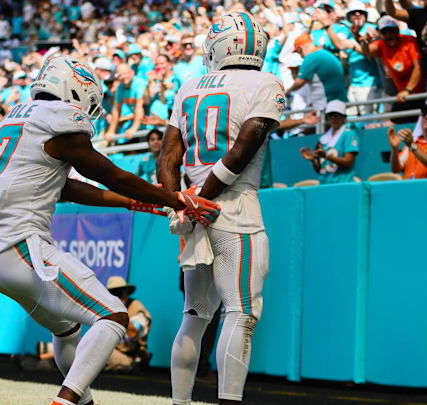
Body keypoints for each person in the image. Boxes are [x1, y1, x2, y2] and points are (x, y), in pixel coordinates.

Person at [0, 55, 220, 405]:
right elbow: (105, 172)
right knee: (113, 315)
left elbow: (65, 188)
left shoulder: (15, 118)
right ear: (77, 89)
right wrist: (174, 198)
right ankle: (65, 401)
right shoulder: (61, 118)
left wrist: (132, 202)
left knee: (66, 329)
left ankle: (84, 403)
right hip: (22, 245)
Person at [157, 12, 285, 405]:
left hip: (195, 213)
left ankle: (180, 402)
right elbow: (245, 145)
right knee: (241, 312)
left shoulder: (189, 86)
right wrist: (203, 195)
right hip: (233, 207)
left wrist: (179, 200)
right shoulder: (265, 82)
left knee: (194, 316)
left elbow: (167, 156)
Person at [355, 16, 426, 123]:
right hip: (403, 96)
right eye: (385, 32)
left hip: (421, 93)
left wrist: (407, 90)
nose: (389, 35)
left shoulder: (409, 41)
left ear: (397, 31)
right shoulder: (381, 45)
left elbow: (418, 68)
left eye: (391, 31)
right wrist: (364, 42)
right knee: (391, 124)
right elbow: (367, 51)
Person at [317, 1, 384, 115]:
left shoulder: (372, 29)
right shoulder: (347, 32)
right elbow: (339, 44)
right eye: (353, 13)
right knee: (349, 120)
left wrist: (352, 45)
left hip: (370, 85)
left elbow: (371, 52)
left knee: (368, 121)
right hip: (353, 84)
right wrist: (327, 25)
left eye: (360, 12)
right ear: (349, 17)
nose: (357, 14)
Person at [300, 100, 359, 184]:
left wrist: (326, 156)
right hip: (325, 184)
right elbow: (321, 170)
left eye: (336, 116)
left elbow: (348, 162)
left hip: (343, 183)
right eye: (330, 116)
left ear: (344, 117)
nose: (333, 119)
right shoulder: (322, 139)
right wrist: (313, 160)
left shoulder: (349, 134)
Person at [103, 276, 152, 373]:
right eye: (113, 293)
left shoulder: (135, 307)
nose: (118, 296)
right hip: (112, 350)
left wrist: (119, 312)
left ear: (126, 293)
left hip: (130, 353)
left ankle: (134, 364)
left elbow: (133, 333)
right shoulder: (105, 310)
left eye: (120, 292)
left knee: (105, 357)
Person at [286, 33, 347, 109]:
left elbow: (300, 82)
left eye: (298, 52)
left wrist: (288, 91)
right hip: (336, 99)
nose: (300, 55)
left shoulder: (311, 57)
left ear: (300, 49)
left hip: (327, 102)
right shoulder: (323, 53)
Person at [105, 63, 147, 143]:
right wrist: (111, 131)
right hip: (141, 125)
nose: (123, 77)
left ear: (132, 72)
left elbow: (139, 107)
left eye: (125, 74)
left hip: (151, 123)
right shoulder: (120, 87)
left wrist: (133, 128)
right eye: (120, 75)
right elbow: (116, 110)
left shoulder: (139, 83)